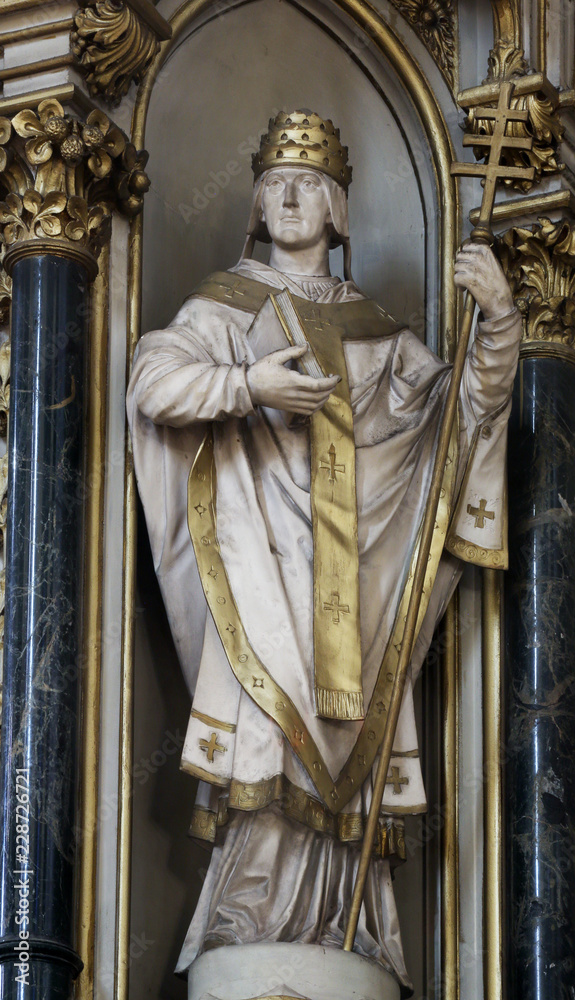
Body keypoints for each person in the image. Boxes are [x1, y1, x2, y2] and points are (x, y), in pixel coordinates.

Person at [127, 109, 521, 990]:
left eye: (309, 184)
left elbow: (459, 421)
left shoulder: (379, 331)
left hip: (360, 588)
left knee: (350, 740)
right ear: (257, 202)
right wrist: (247, 385)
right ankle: (248, 918)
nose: (290, 197)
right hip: (258, 574)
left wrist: (497, 322)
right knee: (267, 739)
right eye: (274, 183)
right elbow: (153, 383)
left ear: (339, 208)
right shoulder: (223, 308)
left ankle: (350, 925)